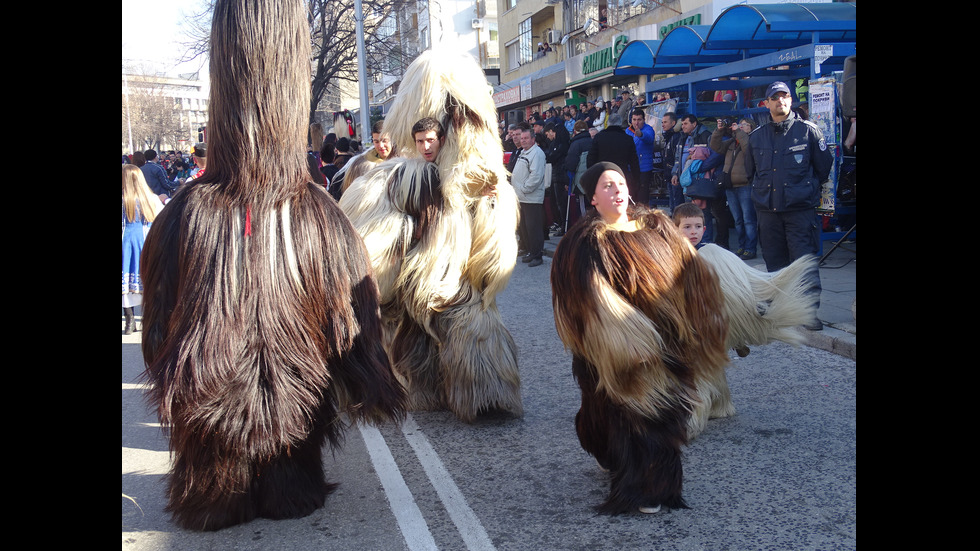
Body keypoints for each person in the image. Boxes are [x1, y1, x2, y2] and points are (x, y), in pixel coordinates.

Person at [139, 0, 405, 531]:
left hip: (214, 412)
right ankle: (282, 482)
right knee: (292, 470)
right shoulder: (317, 215)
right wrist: (369, 374)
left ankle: (222, 493)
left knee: (218, 484)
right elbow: (354, 315)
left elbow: (158, 314)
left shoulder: (186, 215)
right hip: (295, 416)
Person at [549, 161, 731, 515]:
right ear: (593, 200)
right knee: (609, 411)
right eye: (606, 185)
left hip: (665, 344)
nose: (616, 190)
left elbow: (690, 274)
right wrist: (623, 338)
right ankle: (613, 456)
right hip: (611, 348)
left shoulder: (657, 227)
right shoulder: (582, 243)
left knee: (659, 417)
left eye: (619, 183)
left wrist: (701, 319)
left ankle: (649, 487)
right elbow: (584, 297)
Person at [745, 81, 833, 331]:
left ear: (791, 101)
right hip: (768, 212)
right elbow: (751, 172)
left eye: (785, 97)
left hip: (799, 211)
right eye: (775, 98)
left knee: (803, 262)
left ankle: (807, 312)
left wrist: (803, 190)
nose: (780, 101)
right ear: (767, 103)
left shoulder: (808, 131)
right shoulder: (756, 136)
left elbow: (823, 168)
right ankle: (778, 310)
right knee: (774, 264)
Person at [122, 164, 164, 335]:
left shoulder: (125, 200)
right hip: (147, 241)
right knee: (149, 280)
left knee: (126, 281)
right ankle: (149, 320)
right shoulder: (151, 199)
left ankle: (130, 321)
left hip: (127, 242)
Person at [711, 117, 758, 259]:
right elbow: (715, 146)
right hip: (730, 186)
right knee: (737, 219)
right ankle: (742, 246)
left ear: (752, 127)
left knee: (748, 219)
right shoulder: (732, 142)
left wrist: (738, 132)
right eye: (740, 124)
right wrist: (719, 130)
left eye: (745, 125)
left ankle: (750, 248)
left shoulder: (752, 140)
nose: (741, 127)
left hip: (745, 186)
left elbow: (747, 148)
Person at [670, 114, 717, 242]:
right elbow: (678, 158)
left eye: (685, 123)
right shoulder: (683, 137)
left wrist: (698, 168)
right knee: (689, 214)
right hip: (686, 181)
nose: (682, 126)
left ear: (694, 124)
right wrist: (675, 173)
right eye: (682, 123)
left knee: (702, 214)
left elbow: (713, 157)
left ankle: (705, 243)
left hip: (699, 182)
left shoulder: (706, 135)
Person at [512, 127, 547, 267]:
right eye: (522, 138)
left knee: (534, 228)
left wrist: (524, 188)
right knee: (525, 227)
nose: (523, 141)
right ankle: (531, 252)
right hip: (522, 197)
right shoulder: (523, 152)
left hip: (531, 197)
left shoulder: (537, 154)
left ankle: (537, 255)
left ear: (533, 139)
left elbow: (536, 176)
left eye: (526, 138)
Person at [587, 113, 640, 196]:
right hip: (622, 176)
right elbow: (634, 162)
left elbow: (591, 159)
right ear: (620, 123)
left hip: (603, 176)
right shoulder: (627, 139)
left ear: (608, 123)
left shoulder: (599, 137)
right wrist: (636, 180)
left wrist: (593, 177)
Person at [625, 108, 658, 207]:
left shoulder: (648, 129)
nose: (636, 122)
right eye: (634, 120)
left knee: (642, 197)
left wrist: (641, 134)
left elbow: (649, 138)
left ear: (644, 120)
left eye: (639, 120)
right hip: (631, 168)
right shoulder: (628, 130)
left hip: (644, 168)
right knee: (631, 195)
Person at [563, 120, 592, 228]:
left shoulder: (575, 144)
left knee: (582, 206)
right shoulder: (592, 141)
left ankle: (585, 228)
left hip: (581, 181)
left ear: (575, 131)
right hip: (592, 179)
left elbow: (570, 164)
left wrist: (567, 181)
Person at [543, 122, 570, 236]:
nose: (548, 136)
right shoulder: (555, 144)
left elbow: (552, 157)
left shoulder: (562, 145)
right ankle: (559, 223)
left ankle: (564, 225)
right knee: (556, 202)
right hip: (556, 175)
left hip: (560, 176)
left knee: (561, 203)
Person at [661, 112, 685, 213]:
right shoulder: (668, 136)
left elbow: (677, 158)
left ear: (673, 123)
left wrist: (675, 173)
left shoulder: (676, 137)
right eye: (662, 122)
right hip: (669, 175)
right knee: (673, 204)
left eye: (665, 122)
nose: (663, 124)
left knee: (677, 205)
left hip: (675, 175)